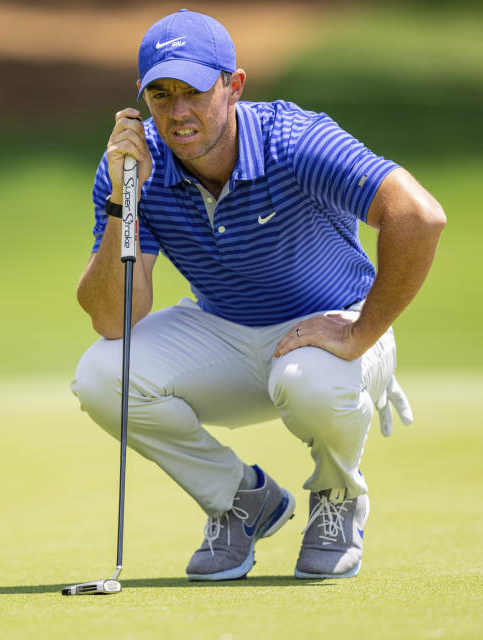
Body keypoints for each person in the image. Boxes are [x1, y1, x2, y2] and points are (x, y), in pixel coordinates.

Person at [71, 9, 445, 581]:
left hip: (333, 329)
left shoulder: (296, 141)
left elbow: (418, 216)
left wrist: (359, 332)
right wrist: (127, 198)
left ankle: (337, 499)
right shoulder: (132, 164)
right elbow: (111, 318)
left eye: (194, 91)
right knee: (102, 375)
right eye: (160, 95)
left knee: (309, 380)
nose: (178, 113)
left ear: (234, 85)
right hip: (226, 329)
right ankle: (240, 501)